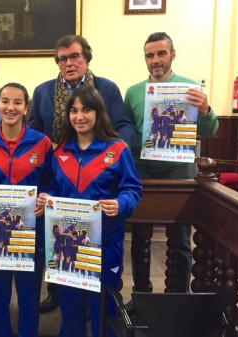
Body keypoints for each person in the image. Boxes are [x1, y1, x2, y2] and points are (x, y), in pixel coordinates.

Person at [29, 34, 136, 313]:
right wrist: (50, 150)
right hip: (61, 167)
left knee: (104, 301)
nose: (69, 63)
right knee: (65, 269)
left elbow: (123, 124)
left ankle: (99, 309)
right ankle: (58, 293)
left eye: (74, 56)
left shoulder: (107, 88)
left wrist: (113, 151)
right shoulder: (43, 91)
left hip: (101, 182)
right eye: (62, 59)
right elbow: (34, 130)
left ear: (86, 58)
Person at [37, 86, 142, 337]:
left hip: (105, 245)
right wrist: (46, 196)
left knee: (104, 311)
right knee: (70, 310)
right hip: (67, 247)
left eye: (86, 110)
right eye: (73, 111)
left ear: (98, 113)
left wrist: (121, 203)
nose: (79, 116)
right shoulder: (60, 151)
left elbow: (133, 190)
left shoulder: (117, 150)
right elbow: (52, 185)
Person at [124, 32, 219, 298]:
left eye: (161, 54)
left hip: (179, 172)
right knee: (139, 237)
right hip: (142, 171)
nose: (155, 60)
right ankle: (141, 295)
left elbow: (211, 130)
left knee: (180, 239)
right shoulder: (133, 92)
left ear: (172, 55)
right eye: (150, 55)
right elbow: (126, 131)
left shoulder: (191, 89)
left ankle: (178, 297)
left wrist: (206, 111)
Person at [0, 83, 53, 337]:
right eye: (5, 101)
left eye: (17, 102)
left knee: (29, 301)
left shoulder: (43, 143)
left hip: (30, 234)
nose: (10, 107)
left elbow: (51, 183)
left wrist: (47, 198)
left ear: (26, 108)